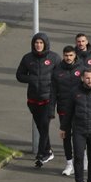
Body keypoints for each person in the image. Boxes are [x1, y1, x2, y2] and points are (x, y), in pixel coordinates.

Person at [16, 32, 59, 168]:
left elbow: (59, 75)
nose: (38, 45)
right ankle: (49, 150)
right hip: (33, 99)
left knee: (45, 126)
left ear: (45, 44)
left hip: (48, 98)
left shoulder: (54, 58)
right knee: (41, 127)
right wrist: (32, 79)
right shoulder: (27, 58)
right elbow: (19, 75)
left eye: (41, 43)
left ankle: (41, 155)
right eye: (36, 43)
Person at [52, 45, 83, 176]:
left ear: (75, 55)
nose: (68, 58)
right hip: (63, 108)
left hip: (79, 109)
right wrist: (50, 110)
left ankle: (81, 160)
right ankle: (69, 163)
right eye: (66, 55)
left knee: (79, 136)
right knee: (66, 136)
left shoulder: (82, 69)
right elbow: (53, 92)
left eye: (70, 55)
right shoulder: (57, 70)